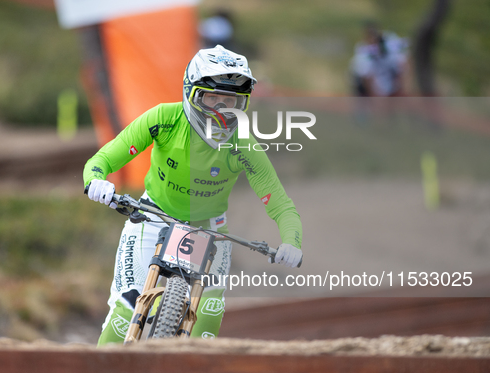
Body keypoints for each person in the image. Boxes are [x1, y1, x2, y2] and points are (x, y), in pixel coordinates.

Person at [83, 45, 303, 346]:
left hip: (210, 227)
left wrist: (292, 241)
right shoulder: (164, 117)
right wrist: (96, 180)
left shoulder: (244, 145)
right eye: (211, 97)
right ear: (190, 92)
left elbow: (280, 204)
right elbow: (107, 156)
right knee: (126, 308)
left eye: (231, 100)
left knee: (210, 310)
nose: (221, 110)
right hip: (153, 215)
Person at [350, 22, 409, 97]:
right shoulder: (363, 52)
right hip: (371, 89)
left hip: (390, 85)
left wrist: (400, 89)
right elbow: (366, 78)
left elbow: (402, 65)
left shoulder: (390, 43)